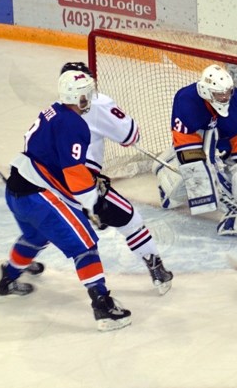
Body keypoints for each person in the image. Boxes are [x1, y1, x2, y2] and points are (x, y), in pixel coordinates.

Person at [0, 69, 132, 332]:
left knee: (35, 237)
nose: (91, 97)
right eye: (87, 94)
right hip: (39, 198)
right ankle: (103, 307)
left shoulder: (53, 111)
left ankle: (8, 277)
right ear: (79, 98)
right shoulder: (74, 124)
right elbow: (74, 173)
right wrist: (94, 202)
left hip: (16, 192)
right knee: (85, 247)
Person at [59, 61, 173, 295]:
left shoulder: (53, 109)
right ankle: (157, 271)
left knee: (48, 221)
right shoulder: (98, 103)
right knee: (131, 220)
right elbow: (131, 135)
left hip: (50, 181)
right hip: (82, 182)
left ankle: (16, 268)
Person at [155, 64, 237, 236]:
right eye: (220, 94)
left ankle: (226, 186)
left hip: (223, 146)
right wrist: (207, 174)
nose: (226, 97)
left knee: (236, 183)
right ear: (206, 91)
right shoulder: (186, 101)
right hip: (200, 143)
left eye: (228, 92)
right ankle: (167, 167)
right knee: (189, 184)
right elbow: (187, 147)